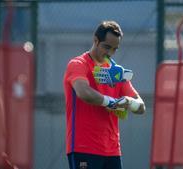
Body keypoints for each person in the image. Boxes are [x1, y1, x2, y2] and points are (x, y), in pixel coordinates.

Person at [63, 20, 146, 169]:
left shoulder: (117, 72)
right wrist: (112, 102)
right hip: (84, 147)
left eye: (115, 49)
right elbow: (83, 92)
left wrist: (129, 102)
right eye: (107, 47)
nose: (110, 53)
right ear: (95, 40)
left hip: (112, 150)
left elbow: (141, 107)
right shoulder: (78, 64)